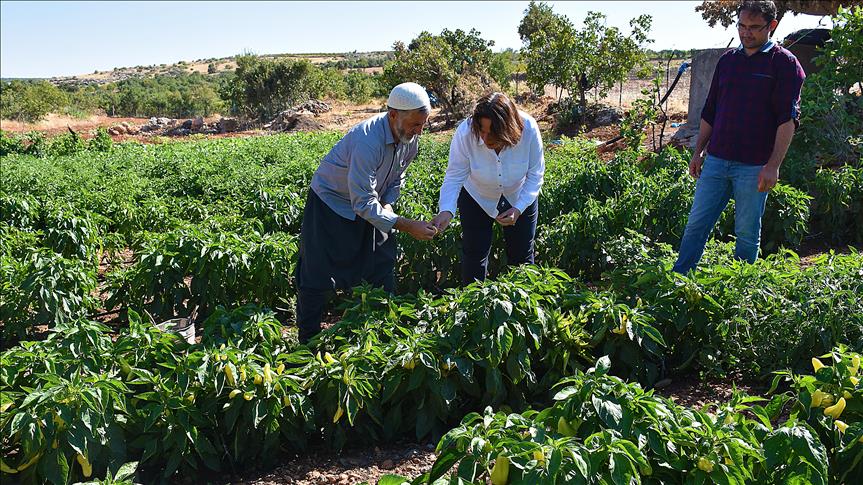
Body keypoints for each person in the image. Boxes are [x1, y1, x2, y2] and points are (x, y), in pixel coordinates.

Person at [295, 82, 438, 343]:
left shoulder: (410, 140)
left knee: (381, 263)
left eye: (422, 124)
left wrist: (389, 206)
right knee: (318, 272)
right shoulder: (367, 141)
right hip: (332, 202)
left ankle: (378, 331)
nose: (419, 131)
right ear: (393, 115)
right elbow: (361, 202)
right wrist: (405, 224)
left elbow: (397, 178)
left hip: (373, 202)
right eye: (414, 124)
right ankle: (307, 341)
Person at [673, 0, 805, 274]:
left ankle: (740, 293)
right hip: (717, 160)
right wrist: (698, 151)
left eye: (754, 28)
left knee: (746, 234)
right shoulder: (728, 61)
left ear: (772, 26)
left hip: (754, 166)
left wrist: (773, 166)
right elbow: (710, 111)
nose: (746, 33)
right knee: (696, 224)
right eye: (742, 26)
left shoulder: (783, 63)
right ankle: (678, 281)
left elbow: (787, 120)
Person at [431, 92, 545, 285]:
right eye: (481, 131)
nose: (485, 138)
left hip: (519, 196)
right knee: (474, 255)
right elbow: (454, 175)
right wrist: (446, 210)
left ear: (508, 128)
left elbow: (535, 175)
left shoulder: (529, 129)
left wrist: (518, 208)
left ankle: (523, 309)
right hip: (477, 195)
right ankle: (474, 309)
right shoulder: (465, 133)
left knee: (522, 258)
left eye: (492, 133)